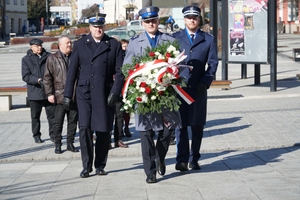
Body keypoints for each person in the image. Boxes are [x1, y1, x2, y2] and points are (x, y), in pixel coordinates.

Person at [63, 13, 124, 178]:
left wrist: (115, 92)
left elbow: (120, 73)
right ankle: (86, 166)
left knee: (104, 130)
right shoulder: (81, 44)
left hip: (105, 93)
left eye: (101, 26)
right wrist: (68, 94)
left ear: (104, 27)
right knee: (85, 129)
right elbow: (72, 72)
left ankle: (100, 165)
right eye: (95, 26)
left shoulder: (113, 45)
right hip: (85, 93)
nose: (98, 29)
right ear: (90, 28)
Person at [123, 6, 177, 184]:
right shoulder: (134, 42)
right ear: (142, 23)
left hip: (165, 93)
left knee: (168, 130)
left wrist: (170, 79)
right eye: (147, 21)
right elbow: (127, 68)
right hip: (144, 94)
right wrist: (141, 83)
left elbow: (177, 65)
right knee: (145, 133)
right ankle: (150, 172)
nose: (150, 24)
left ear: (158, 21)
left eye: (153, 20)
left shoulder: (169, 39)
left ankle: (160, 157)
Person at [173, 5, 218, 171]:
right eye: (189, 17)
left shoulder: (208, 39)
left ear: (199, 19)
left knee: (198, 125)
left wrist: (206, 81)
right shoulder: (175, 38)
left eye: (195, 17)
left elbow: (213, 63)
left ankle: (194, 158)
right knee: (181, 126)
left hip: (199, 89)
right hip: (180, 89)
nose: (192, 20)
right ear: (184, 19)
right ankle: (182, 160)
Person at [43, 35, 79, 154]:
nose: (70, 45)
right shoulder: (52, 58)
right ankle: (58, 144)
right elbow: (47, 78)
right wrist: (49, 93)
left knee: (72, 122)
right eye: (67, 43)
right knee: (57, 122)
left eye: (70, 43)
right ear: (60, 45)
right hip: (59, 96)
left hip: (74, 95)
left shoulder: (75, 56)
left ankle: (70, 143)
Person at [21, 38, 55, 143]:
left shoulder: (49, 56)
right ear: (31, 47)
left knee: (52, 116)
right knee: (35, 116)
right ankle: (36, 135)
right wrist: (38, 80)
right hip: (34, 92)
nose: (39, 47)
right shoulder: (26, 59)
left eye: (40, 45)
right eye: (36, 46)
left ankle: (53, 135)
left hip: (48, 92)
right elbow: (26, 76)